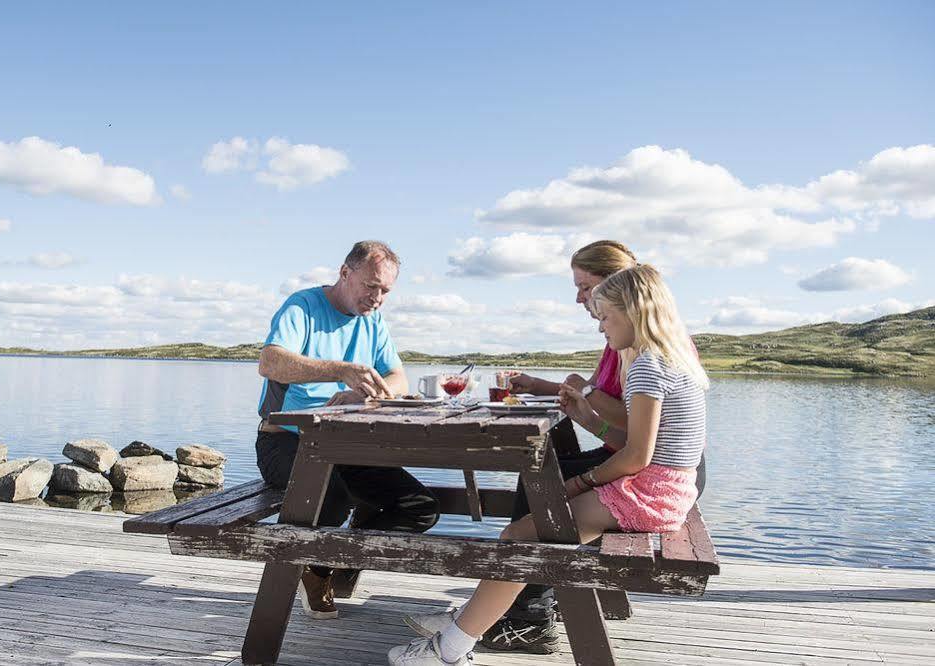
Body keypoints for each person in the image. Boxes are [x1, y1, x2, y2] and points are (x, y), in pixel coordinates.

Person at [388, 264, 709, 666]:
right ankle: (461, 633)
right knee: (524, 531)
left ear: (634, 311)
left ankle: (450, 648)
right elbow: (633, 444)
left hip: (649, 492)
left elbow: (636, 457)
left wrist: (580, 483)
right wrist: (588, 417)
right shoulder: (668, 357)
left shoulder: (646, 365)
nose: (601, 328)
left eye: (606, 316)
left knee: (520, 537)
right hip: (667, 488)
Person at [477, 240, 706, 654]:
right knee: (544, 477)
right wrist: (572, 401)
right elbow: (616, 419)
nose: (582, 299)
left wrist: (583, 399)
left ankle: (529, 615)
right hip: (654, 470)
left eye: (586, 288)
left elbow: (632, 430)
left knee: (541, 485)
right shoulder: (632, 342)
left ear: (618, 287)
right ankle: (522, 605)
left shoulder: (643, 354)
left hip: (655, 475)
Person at [255, 240, 440, 621]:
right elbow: (270, 362)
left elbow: (397, 375)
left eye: (385, 290)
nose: (377, 297)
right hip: (285, 442)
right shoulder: (303, 306)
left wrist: (366, 396)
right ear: (345, 273)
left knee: (420, 508)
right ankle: (321, 562)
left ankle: (321, 566)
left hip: (346, 444)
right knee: (333, 495)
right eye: (370, 286)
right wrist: (339, 370)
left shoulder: (373, 319)